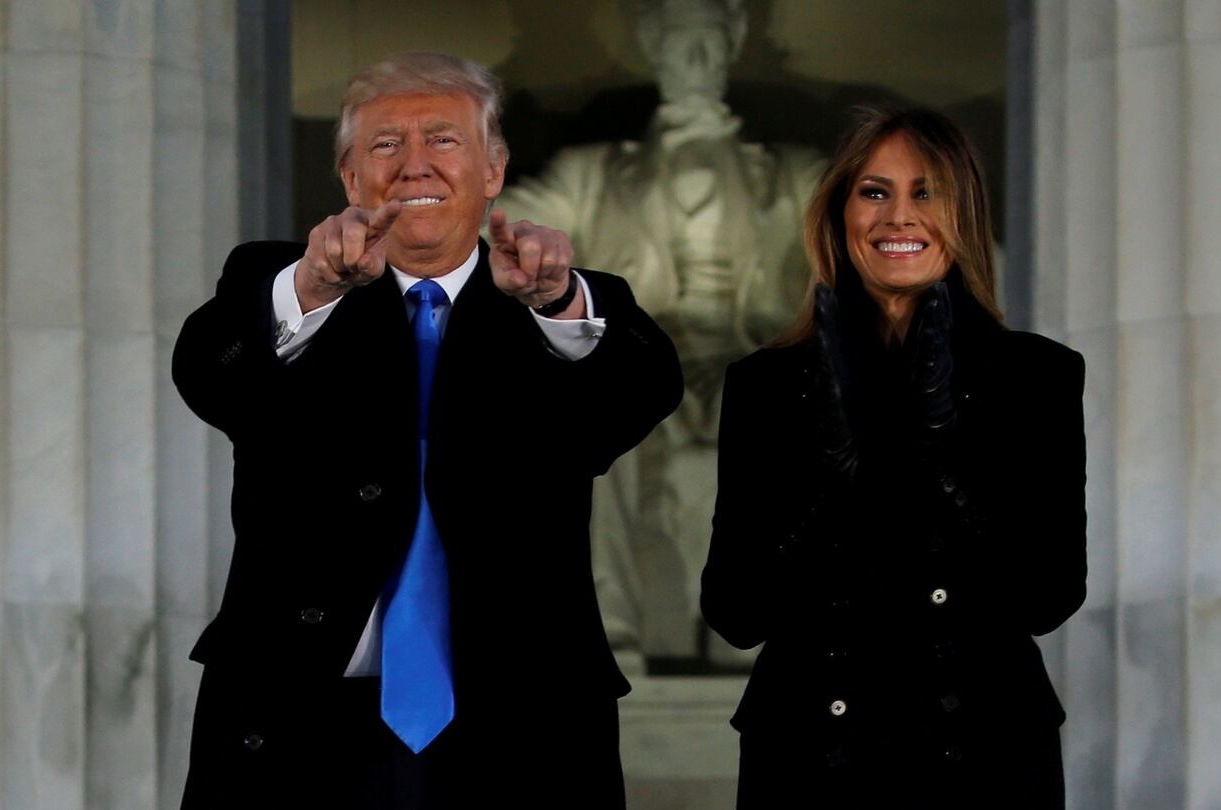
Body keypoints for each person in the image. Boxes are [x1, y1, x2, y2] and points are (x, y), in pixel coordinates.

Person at [172, 52, 682, 809]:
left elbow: (640, 396)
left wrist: (558, 303)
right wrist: (313, 287)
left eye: (444, 141)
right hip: (302, 730)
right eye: (385, 146)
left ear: (493, 170)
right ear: (350, 178)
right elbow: (209, 378)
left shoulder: (562, 301)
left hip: (518, 734)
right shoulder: (283, 286)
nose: (415, 166)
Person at [700, 105, 1087, 807]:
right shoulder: (767, 384)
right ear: (839, 213)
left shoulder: (1036, 376)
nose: (897, 217)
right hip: (813, 759)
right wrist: (831, 472)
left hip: (983, 759)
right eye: (874, 191)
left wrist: (943, 457)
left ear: (963, 213)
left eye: (925, 192)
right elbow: (734, 610)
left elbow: (1049, 593)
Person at [498, 0, 823, 665]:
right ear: (654, 49)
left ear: (732, 48)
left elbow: (882, 220)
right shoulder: (591, 173)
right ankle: (609, 630)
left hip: (753, 353)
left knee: (774, 402)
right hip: (638, 357)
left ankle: (754, 623)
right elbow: (491, 225)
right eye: (681, 45)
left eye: (709, 44)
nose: (696, 62)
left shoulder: (791, 172)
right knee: (590, 415)